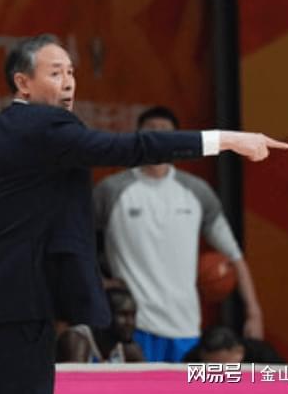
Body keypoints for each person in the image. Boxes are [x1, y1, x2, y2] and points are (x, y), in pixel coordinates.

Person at [0, 34, 288, 394]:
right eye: (55, 73)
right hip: (18, 312)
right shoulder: (42, 126)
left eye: (71, 72)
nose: (68, 82)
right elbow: (130, 147)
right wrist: (226, 139)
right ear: (23, 83)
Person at [93, 106, 265, 363]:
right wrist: (100, 282)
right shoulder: (111, 190)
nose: (158, 137)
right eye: (151, 130)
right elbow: (79, 243)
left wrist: (254, 312)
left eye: (165, 131)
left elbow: (234, 255)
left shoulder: (197, 191)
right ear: (137, 136)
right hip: (131, 325)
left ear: (177, 140)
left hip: (185, 325)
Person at [56, 287, 144, 363]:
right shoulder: (77, 339)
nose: (130, 322)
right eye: (123, 315)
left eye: (133, 315)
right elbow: (76, 377)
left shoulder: (128, 350)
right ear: (105, 314)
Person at [183, 325, 283, 363]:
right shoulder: (193, 359)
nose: (218, 373)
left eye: (223, 366)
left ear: (239, 351)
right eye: (209, 366)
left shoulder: (264, 356)